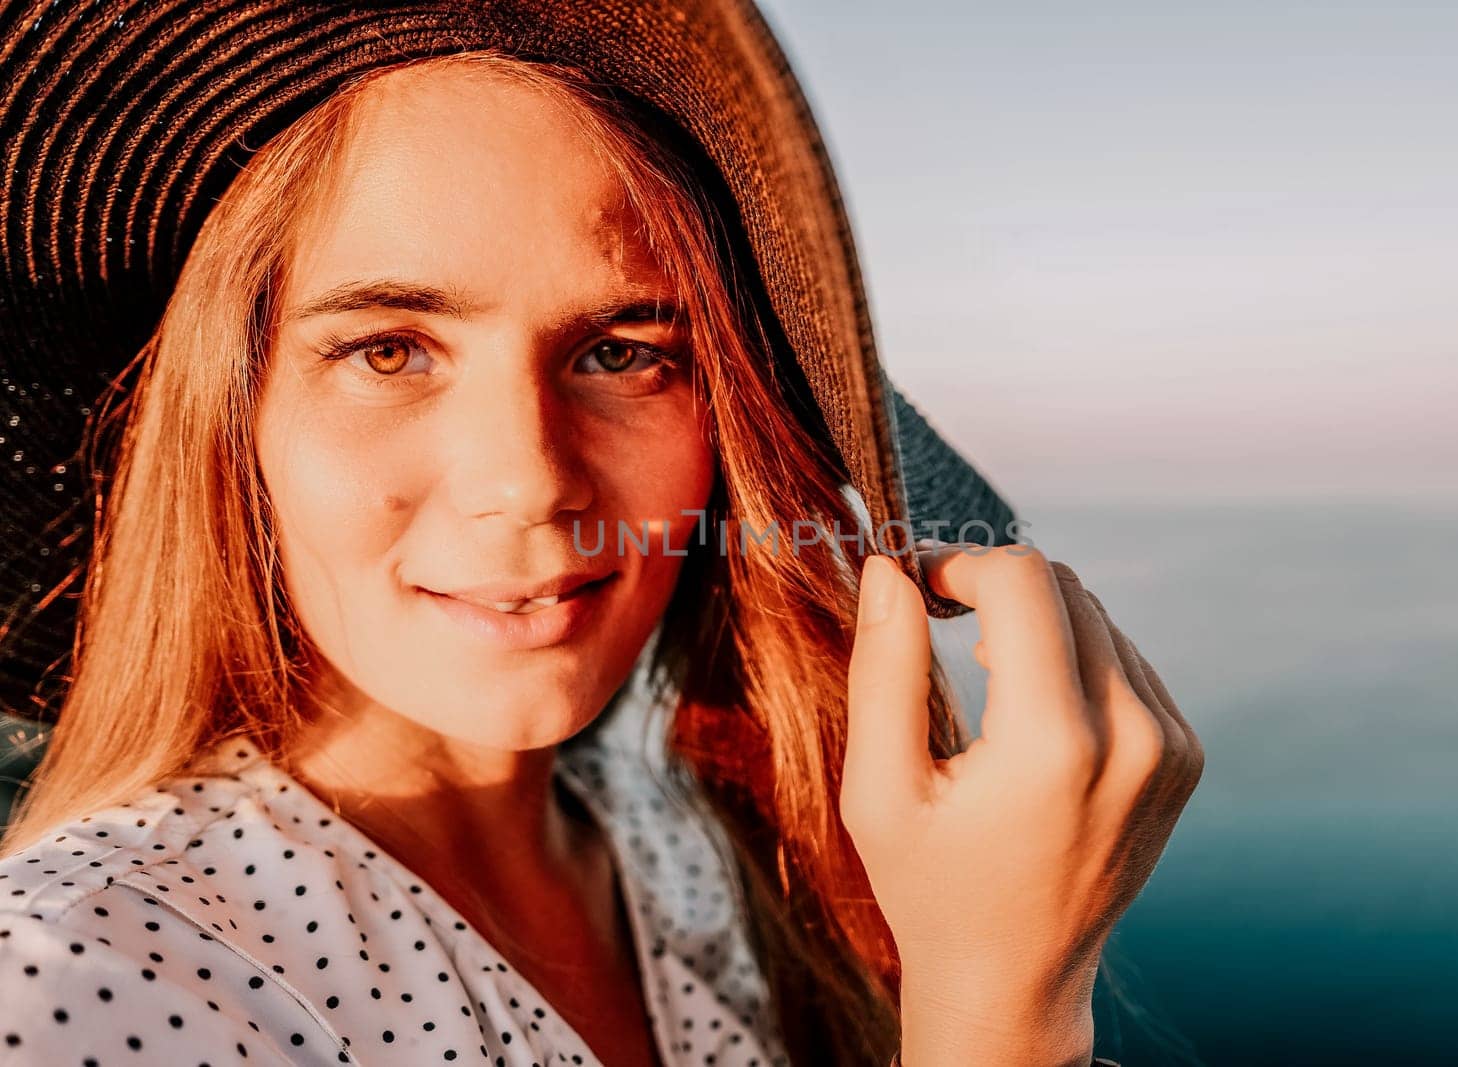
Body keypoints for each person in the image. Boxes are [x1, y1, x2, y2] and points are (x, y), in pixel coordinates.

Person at [0, 5, 1202, 1066]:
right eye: (388, 350)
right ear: (230, 419)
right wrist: (1004, 1009)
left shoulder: (690, 851)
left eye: (624, 353)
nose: (527, 482)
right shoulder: (82, 979)